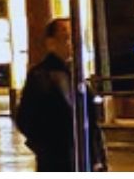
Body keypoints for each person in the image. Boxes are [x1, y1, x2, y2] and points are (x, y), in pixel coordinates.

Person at [16, 18, 104, 172]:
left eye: (75, 38)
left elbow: (91, 121)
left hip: (84, 157)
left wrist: (98, 157)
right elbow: (25, 118)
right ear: (51, 43)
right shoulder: (40, 75)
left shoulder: (76, 73)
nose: (72, 44)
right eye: (67, 38)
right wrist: (47, 148)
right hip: (57, 160)